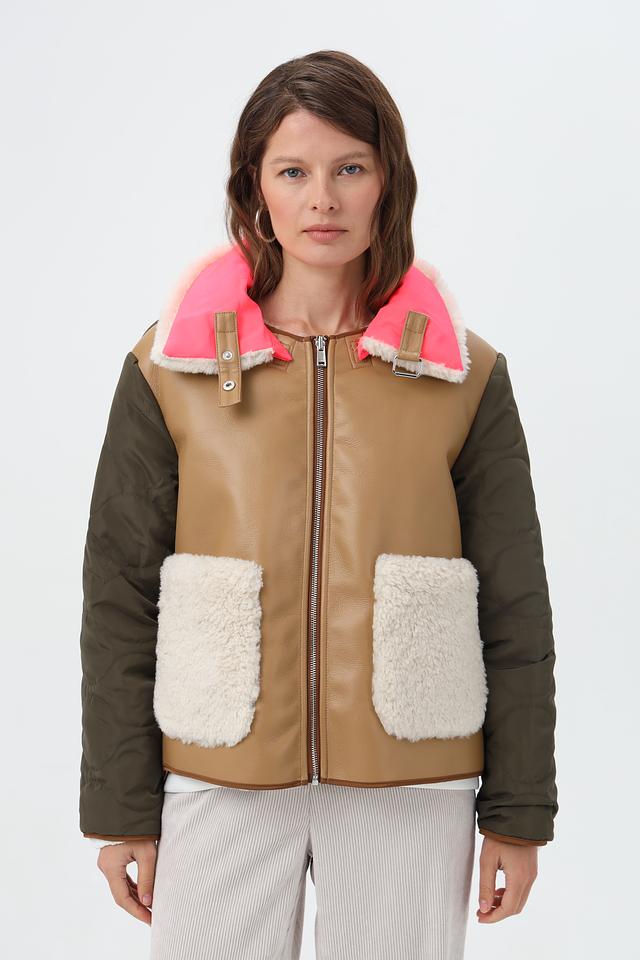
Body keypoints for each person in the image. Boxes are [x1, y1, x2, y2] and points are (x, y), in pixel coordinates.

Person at [79, 49, 558, 959]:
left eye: (350, 169)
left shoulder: (466, 376)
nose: (323, 201)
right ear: (255, 187)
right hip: (218, 772)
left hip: (412, 781)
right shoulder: (169, 368)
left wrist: (519, 809)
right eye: (293, 172)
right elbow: (120, 596)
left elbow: (515, 605)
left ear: (388, 182)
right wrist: (121, 807)